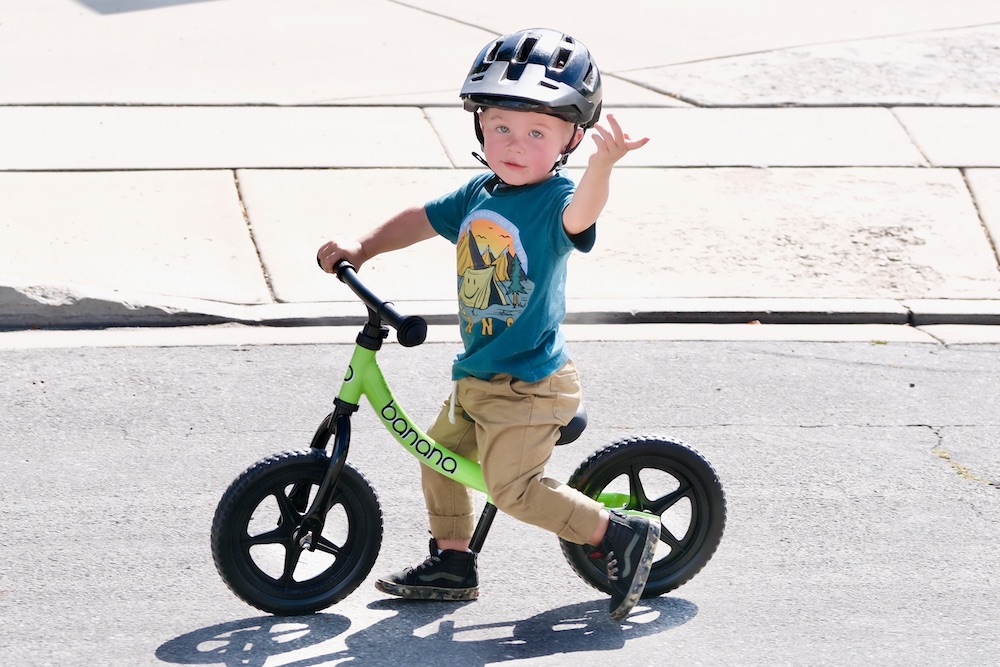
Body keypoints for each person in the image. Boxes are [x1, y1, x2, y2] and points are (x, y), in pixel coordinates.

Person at [316, 27, 655, 621]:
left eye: (535, 132)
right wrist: (362, 245)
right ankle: (452, 561)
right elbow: (421, 218)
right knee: (436, 452)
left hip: (531, 385)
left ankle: (616, 535)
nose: (514, 144)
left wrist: (605, 165)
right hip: (479, 374)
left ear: (570, 138)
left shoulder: (556, 202)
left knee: (513, 491)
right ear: (479, 127)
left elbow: (584, 214)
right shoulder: (480, 191)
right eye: (500, 126)